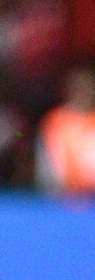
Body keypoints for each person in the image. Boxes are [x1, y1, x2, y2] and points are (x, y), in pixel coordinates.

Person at [36, 62, 95, 193]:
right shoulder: (55, 121)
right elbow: (46, 167)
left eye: (88, 87)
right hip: (63, 199)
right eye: (80, 87)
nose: (84, 92)